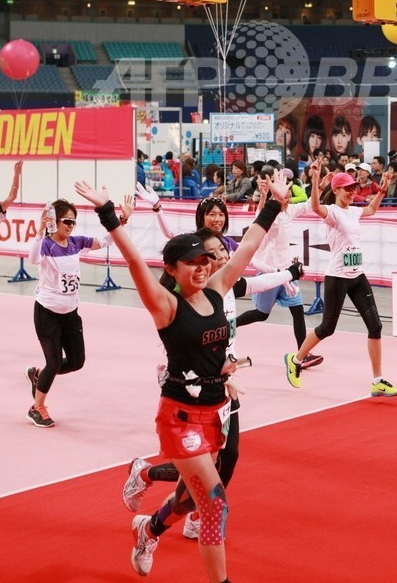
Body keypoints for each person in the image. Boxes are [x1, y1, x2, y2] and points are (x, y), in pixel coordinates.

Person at [74, 170, 288, 583]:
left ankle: (148, 529)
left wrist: (275, 204)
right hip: (181, 417)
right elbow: (135, 261)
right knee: (215, 502)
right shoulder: (166, 306)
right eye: (192, 262)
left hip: (216, 410)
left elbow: (246, 248)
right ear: (172, 269)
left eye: (205, 260)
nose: (203, 267)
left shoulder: (217, 289)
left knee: (190, 498)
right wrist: (107, 213)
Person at [122, 226, 304, 542]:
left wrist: (289, 273)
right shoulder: (189, 296)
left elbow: (261, 276)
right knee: (205, 475)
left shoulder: (228, 283)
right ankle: (179, 502)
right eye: (209, 253)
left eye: (220, 251)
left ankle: (154, 520)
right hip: (191, 393)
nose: (218, 257)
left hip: (224, 387)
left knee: (224, 460)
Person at [283, 162, 397, 398]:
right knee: (327, 328)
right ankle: (295, 360)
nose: (352, 192)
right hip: (337, 277)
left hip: (357, 276)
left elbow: (371, 210)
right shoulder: (332, 213)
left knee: (376, 326)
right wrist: (315, 179)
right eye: (347, 188)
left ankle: (377, 381)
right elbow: (315, 206)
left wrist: (382, 189)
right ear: (336, 190)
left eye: (354, 188)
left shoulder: (353, 211)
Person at [25, 194, 126, 428]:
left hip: (70, 313)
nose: (70, 226)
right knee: (53, 363)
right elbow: (33, 259)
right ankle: (36, 407)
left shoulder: (76, 242)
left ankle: (38, 375)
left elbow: (105, 241)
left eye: (73, 222)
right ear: (54, 221)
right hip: (47, 312)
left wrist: (122, 220)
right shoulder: (46, 245)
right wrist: (40, 230)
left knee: (77, 361)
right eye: (66, 221)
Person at [235, 183, 322, 368]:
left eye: (288, 196)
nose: (287, 199)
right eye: (283, 197)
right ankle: (229, 326)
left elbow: (309, 204)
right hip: (268, 273)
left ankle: (302, 355)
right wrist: (263, 198)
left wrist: (318, 185)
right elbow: (259, 217)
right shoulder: (267, 214)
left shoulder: (289, 211)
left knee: (298, 311)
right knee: (261, 314)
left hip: (287, 273)